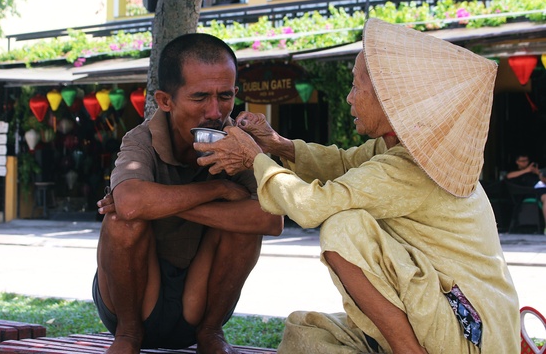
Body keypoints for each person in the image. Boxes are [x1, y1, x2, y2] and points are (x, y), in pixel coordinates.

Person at [195, 18, 520, 353]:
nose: (349, 98)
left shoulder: (410, 168)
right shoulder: (392, 147)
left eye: (356, 87)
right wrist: (276, 144)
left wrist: (253, 159)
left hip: (470, 332)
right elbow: (344, 164)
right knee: (304, 334)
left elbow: (310, 205)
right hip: (439, 316)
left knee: (343, 227)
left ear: (388, 99)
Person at [94, 33, 283, 354]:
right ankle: (127, 335)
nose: (214, 111)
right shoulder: (141, 140)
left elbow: (271, 219)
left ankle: (211, 331)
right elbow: (127, 207)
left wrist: (157, 202)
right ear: (166, 101)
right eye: (199, 97)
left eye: (225, 96)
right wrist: (219, 189)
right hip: (135, 300)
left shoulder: (239, 141)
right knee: (121, 221)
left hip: (200, 302)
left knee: (246, 225)